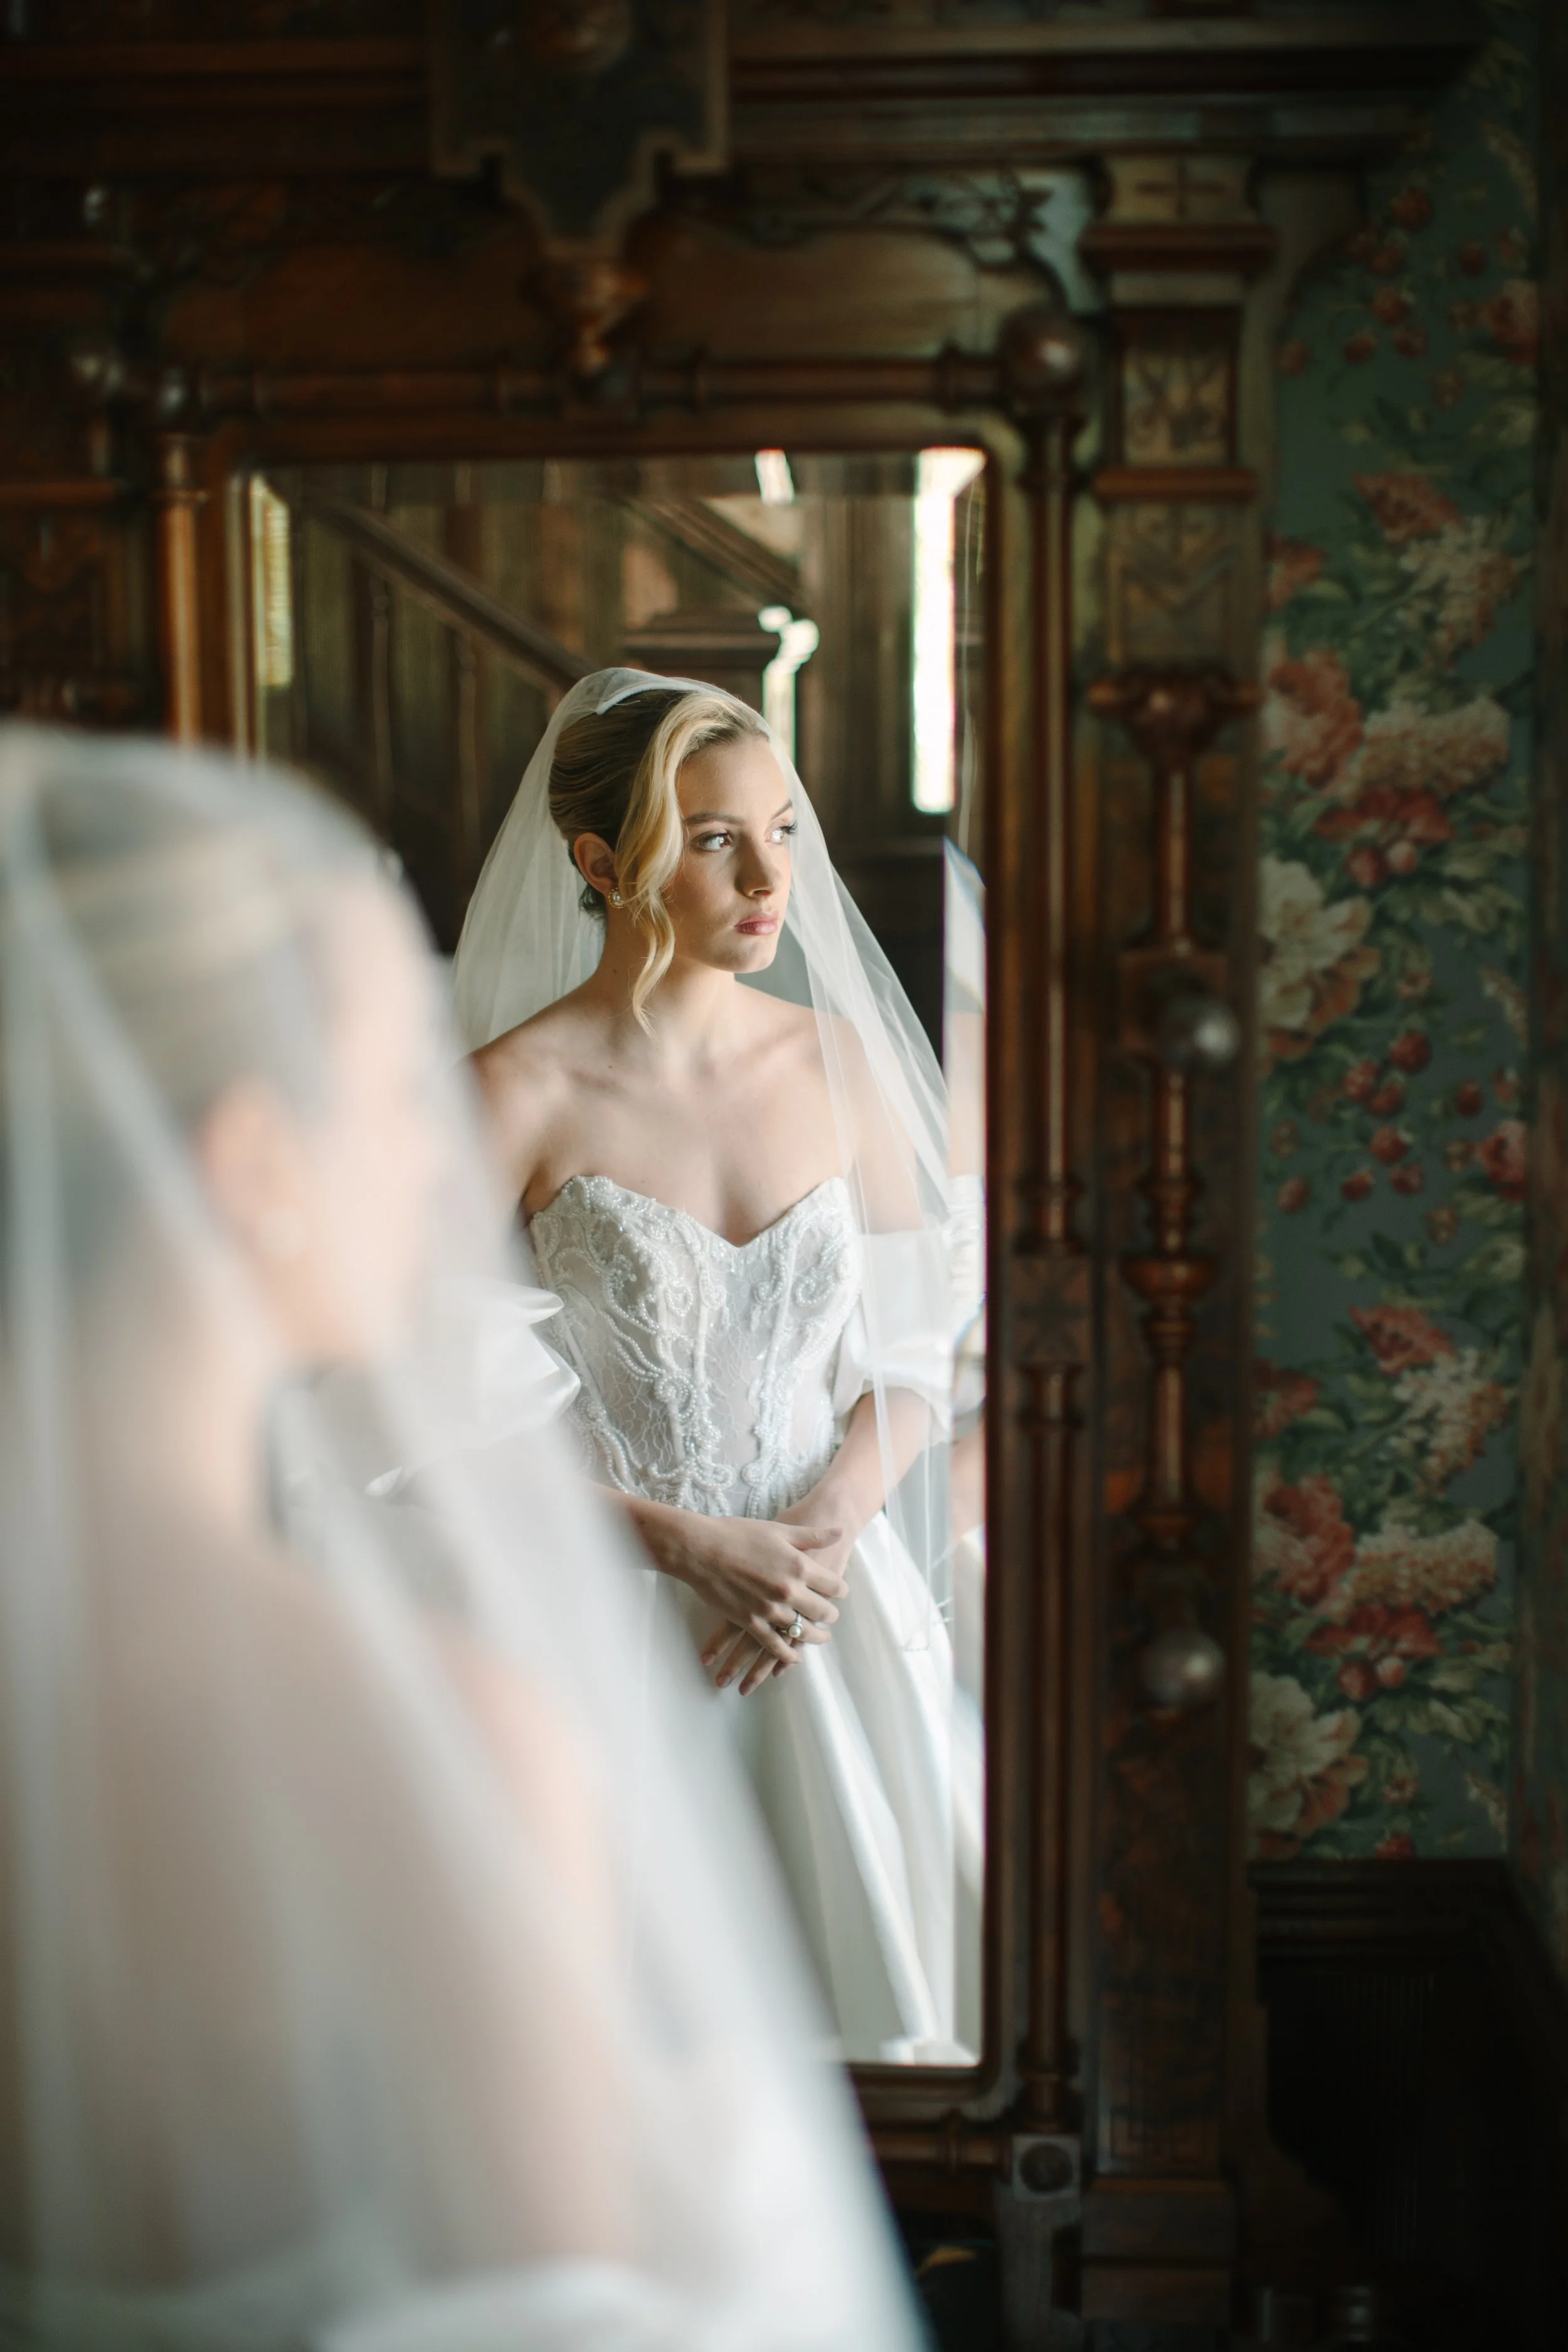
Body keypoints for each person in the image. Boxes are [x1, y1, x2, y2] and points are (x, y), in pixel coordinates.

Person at [0, 723, 923, 2349]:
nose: (427, 1140)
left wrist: (830, 1518)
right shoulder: (428, 1744)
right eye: (381, 1080)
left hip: (832, 1614)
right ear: (251, 1160)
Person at [455, 670, 980, 2063]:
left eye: (783, 829)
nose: (768, 878)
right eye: (711, 840)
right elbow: (413, 1419)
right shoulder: (512, 1094)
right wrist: (685, 1542)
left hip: (827, 1608)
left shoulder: (842, 1068)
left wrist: (817, 1533)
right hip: (611, 1628)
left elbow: (922, 1353)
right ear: (595, 861)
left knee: (876, 2037)